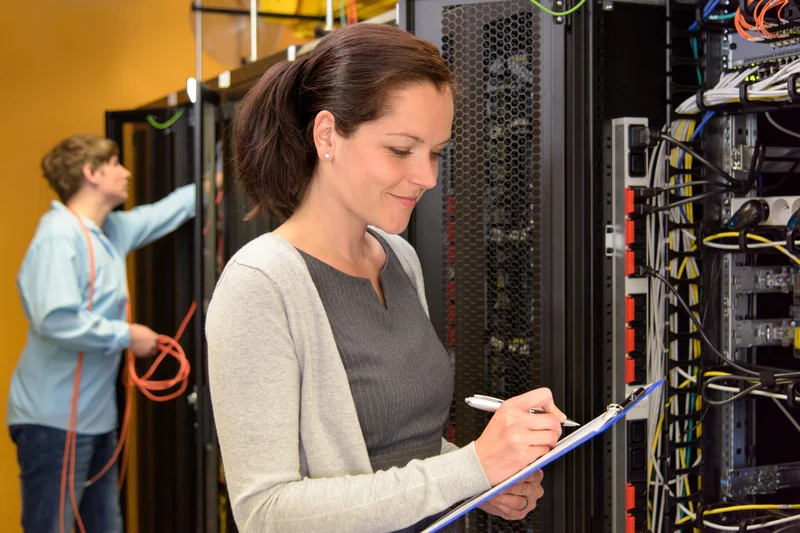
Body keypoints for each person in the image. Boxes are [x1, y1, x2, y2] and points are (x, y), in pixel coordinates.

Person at [205, 23, 566, 533]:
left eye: (436, 152)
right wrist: (470, 466)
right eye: (401, 150)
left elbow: (401, 448)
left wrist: (483, 480)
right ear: (327, 135)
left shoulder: (398, 258)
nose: (427, 177)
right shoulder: (259, 284)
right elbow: (266, 513)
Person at [7, 134, 197, 533]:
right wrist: (127, 335)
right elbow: (56, 320)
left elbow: (164, 213)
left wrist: (214, 178)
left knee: (105, 525)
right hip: (53, 424)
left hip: (96, 422)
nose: (127, 171)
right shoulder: (60, 235)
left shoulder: (109, 230)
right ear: (91, 173)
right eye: (115, 163)